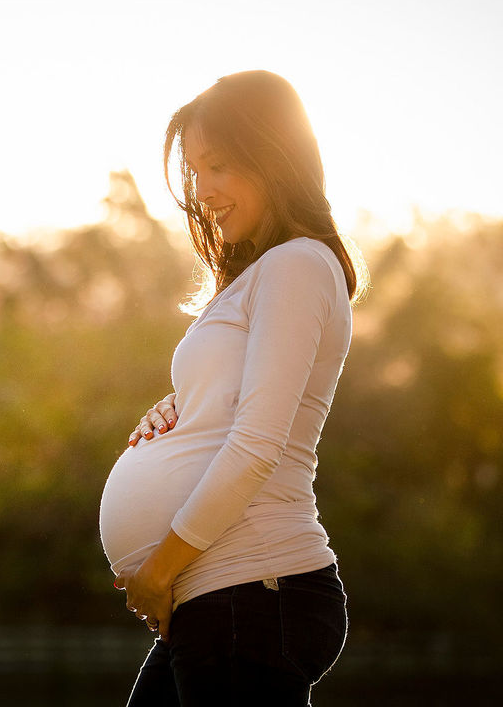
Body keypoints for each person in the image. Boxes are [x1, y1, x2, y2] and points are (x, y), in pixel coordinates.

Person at [98, 70, 366, 705]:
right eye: (195, 171)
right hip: (226, 596)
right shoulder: (265, 273)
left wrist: (159, 570)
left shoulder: (297, 264)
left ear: (273, 155)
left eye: (218, 165)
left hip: (254, 590)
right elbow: (237, 406)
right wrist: (183, 410)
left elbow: (256, 446)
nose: (203, 191)